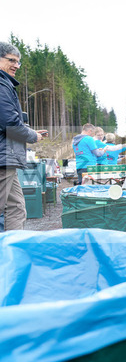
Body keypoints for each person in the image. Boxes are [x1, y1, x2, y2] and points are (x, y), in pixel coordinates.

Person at [0, 42, 48, 230]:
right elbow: (10, 124)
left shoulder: (5, 84)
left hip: (7, 158)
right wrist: (32, 136)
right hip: (3, 159)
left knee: (17, 208)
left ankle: (13, 245)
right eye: (11, 60)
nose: (16, 66)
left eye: (18, 62)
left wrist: (30, 132)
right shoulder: (1, 85)